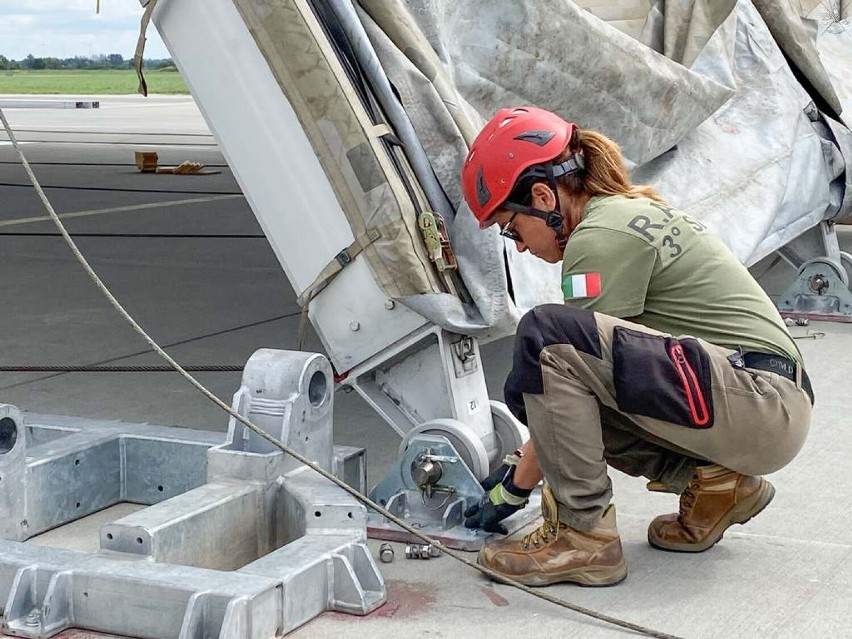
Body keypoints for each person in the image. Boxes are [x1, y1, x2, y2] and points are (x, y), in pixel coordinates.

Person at [459, 106, 813, 587]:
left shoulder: (600, 237)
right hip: (762, 400)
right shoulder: (624, 215)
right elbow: (577, 398)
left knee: (546, 338)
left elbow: (559, 362)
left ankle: (581, 539)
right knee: (562, 398)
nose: (518, 246)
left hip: (757, 401)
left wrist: (512, 490)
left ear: (543, 196)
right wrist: (521, 470)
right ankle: (714, 485)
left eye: (511, 227)